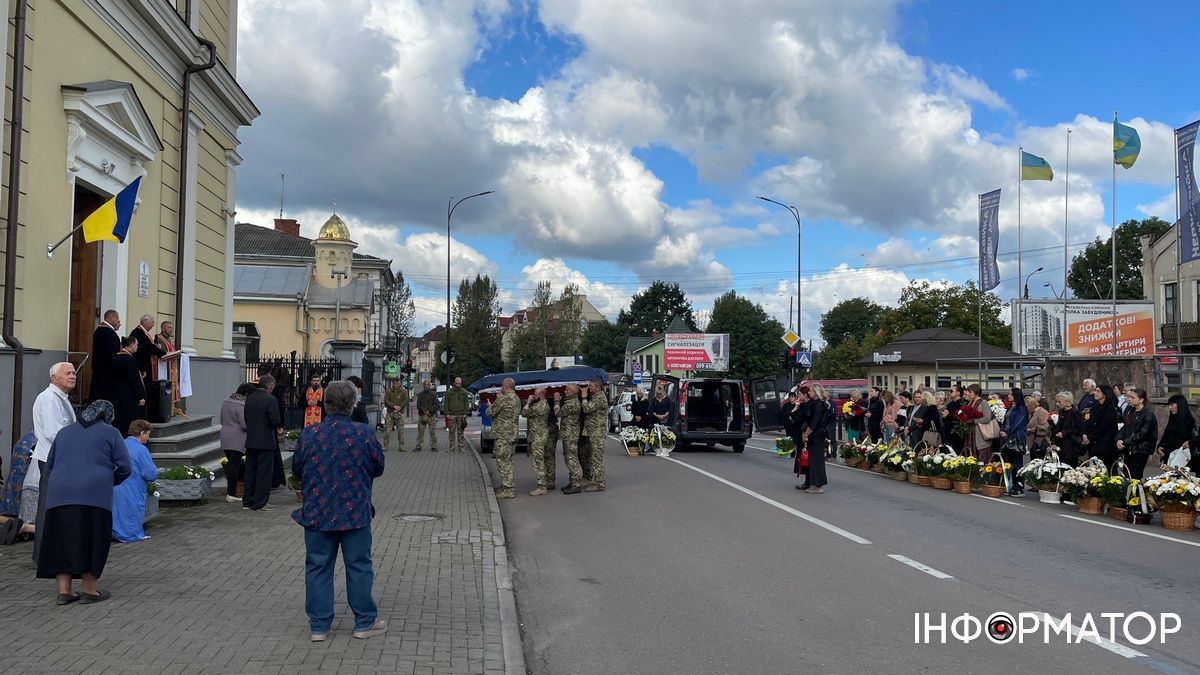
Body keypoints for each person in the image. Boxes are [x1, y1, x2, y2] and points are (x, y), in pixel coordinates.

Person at [291, 380, 387, 642]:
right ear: (353, 404)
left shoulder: (310, 434)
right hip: (354, 512)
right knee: (359, 566)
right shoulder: (363, 433)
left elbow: (297, 469)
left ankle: (319, 627)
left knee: (318, 566)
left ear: (325, 403)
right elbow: (378, 466)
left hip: (318, 512)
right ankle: (364, 623)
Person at [37, 400, 131, 605]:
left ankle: (64, 592)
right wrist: (108, 481)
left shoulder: (64, 432)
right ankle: (89, 590)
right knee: (93, 538)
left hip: (59, 495)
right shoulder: (110, 432)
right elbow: (125, 467)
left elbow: (49, 465)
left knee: (60, 541)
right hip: (94, 494)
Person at [22, 362, 78, 547]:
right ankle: (42, 553)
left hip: (62, 459)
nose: (72, 376)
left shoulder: (61, 397)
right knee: (48, 506)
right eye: (67, 373)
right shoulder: (48, 399)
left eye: (74, 373)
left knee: (58, 506)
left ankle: (54, 550)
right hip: (51, 459)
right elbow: (52, 432)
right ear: (54, 377)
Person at [112, 420, 159, 543]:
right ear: (142, 433)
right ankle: (131, 535)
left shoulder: (119, 444)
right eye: (148, 434)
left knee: (117, 510)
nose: (148, 437)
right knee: (132, 511)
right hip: (133, 486)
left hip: (116, 484)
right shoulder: (141, 450)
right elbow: (150, 473)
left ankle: (115, 532)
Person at [243, 375, 282, 511]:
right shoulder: (271, 399)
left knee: (250, 471)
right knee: (264, 473)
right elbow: (275, 419)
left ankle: (247, 501)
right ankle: (260, 502)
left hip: (251, 440)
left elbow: (246, 419)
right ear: (270, 386)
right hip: (266, 440)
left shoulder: (249, 398)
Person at [220, 383, 256, 503]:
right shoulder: (241, 405)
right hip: (237, 438)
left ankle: (231, 492)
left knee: (231, 464)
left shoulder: (226, 401)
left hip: (225, 436)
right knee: (234, 466)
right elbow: (244, 424)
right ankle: (231, 493)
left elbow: (221, 419)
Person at [790, 386, 830, 494]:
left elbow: (814, 422)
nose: (810, 392)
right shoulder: (813, 404)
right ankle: (813, 483)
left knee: (817, 460)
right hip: (812, 434)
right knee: (812, 460)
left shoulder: (820, 405)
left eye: (811, 391)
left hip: (817, 434)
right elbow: (804, 418)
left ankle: (818, 485)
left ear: (816, 393)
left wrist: (806, 434)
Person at [1116, 386, 1158, 480]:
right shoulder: (1130, 411)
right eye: (1129, 397)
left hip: (1140, 450)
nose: (1129, 399)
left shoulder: (1148, 415)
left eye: (1132, 397)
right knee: (1126, 475)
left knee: (1135, 476)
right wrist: (1119, 439)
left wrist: (1125, 441)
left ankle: (1136, 494)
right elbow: (1125, 427)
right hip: (1128, 449)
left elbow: (1143, 434)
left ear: (1141, 400)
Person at [111, 336, 147, 441]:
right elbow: (134, 379)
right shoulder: (130, 360)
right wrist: (141, 396)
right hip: (129, 395)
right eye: (136, 344)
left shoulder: (115, 357)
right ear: (131, 345)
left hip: (117, 393)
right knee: (130, 420)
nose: (137, 347)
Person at [489, 378, 520, 499]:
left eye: (502, 386)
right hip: (512, 434)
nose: (501, 387)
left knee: (503, 462)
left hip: (503, 435)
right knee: (508, 461)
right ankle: (505, 485)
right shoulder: (516, 398)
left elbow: (491, 412)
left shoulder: (503, 399)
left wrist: (491, 404)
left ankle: (508, 489)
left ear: (506, 386)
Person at [521, 388, 552, 496]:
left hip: (538, 437)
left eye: (535, 394)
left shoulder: (540, 406)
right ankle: (544, 483)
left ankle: (542, 486)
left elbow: (524, 413)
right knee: (540, 460)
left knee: (538, 462)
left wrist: (528, 402)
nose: (533, 396)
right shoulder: (542, 404)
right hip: (539, 435)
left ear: (541, 394)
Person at [1157, 394, 1199, 474]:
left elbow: (1183, 438)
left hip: (1180, 458)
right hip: (1169, 456)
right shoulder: (1172, 418)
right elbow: (1166, 435)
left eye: (1172, 405)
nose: (1170, 408)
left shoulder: (1188, 420)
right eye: (1169, 405)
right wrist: (1160, 447)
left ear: (1180, 405)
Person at [580, 378, 609, 492]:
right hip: (593, 431)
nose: (589, 388)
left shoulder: (599, 398)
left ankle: (599, 483)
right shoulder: (596, 397)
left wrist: (583, 397)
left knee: (597, 458)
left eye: (591, 386)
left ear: (597, 387)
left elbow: (587, 409)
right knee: (594, 457)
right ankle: (597, 479)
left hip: (597, 432)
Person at [1082, 384, 1120, 469]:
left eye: (1098, 391)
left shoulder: (1110, 409)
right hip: (1094, 444)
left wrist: (1090, 437)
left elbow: (1104, 426)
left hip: (1105, 445)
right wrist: (1085, 433)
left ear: (1105, 394)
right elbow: (1087, 421)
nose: (1095, 393)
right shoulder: (1095, 407)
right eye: (1095, 391)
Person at [998, 388, 1028, 496]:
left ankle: (1018, 486)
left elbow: (1018, 423)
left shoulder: (1021, 408)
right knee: (1008, 462)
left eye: (1011, 394)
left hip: (1016, 437)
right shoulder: (1011, 407)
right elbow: (1005, 421)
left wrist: (1008, 432)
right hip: (1007, 436)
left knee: (1017, 463)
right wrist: (1001, 430)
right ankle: (1009, 485)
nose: (1009, 396)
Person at [89, 310, 121, 404]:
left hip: (100, 369)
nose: (119, 321)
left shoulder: (100, 330)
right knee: (104, 396)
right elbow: (113, 353)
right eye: (117, 318)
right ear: (112, 318)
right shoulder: (108, 333)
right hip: (107, 370)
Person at [558, 384, 585, 494]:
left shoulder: (572, 403)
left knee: (571, 459)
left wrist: (556, 402)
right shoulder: (569, 401)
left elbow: (558, 413)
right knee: (568, 458)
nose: (565, 391)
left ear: (573, 392)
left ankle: (576, 484)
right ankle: (572, 481)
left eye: (567, 390)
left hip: (570, 435)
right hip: (568, 434)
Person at [129, 314, 166, 392]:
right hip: (142, 364)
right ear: (145, 322)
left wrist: (155, 347)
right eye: (152, 322)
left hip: (145, 364)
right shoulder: (138, 332)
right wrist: (163, 353)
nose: (153, 325)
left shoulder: (142, 332)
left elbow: (148, 346)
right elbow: (148, 347)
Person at [1052, 391, 1085, 468]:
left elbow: (1079, 428)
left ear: (1067, 402)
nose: (1057, 404)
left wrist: (1065, 433)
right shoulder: (1062, 411)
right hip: (1061, 446)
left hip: (1070, 447)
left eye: (1059, 402)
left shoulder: (1074, 412)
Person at [962, 384, 994, 461]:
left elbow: (987, 418)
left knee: (982, 459)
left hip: (980, 434)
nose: (968, 394)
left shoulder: (983, 402)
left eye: (970, 392)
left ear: (976, 392)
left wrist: (973, 421)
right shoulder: (970, 403)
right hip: (970, 433)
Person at [381, 379, 409, 452]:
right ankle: (385, 445)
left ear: (400, 384)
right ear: (393, 384)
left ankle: (401, 446)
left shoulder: (403, 391)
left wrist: (400, 407)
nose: (397, 385)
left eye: (398, 384)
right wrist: (394, 406)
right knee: (387, 430)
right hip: (390, 413)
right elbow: (386, 400)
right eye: (395, 384)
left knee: (401, 431)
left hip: (399, 413)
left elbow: (406, 400)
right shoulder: (388, 391)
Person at [444, 376, 469, 453]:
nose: (458, 385)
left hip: (461, 415)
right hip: (452, 415)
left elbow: (466, 404)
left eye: (459, 383)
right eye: (457, 383)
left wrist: (465, 414)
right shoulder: (449, 392)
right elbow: (446, 403)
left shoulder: (464, 392)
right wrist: (447, 414)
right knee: (451, 432)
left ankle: (461, 447)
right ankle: (452, 447)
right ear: (454, 383)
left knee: (460, 432)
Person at [415, 380, 439, 452]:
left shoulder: (434, 394)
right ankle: (418, 446)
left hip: (431, 416)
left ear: (430, 386)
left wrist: (430, 411)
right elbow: (418, 405)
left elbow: (436, 404)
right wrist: (424, 411)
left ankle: (434, 446)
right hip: (422, 415)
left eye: (428, 385)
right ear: (423, 385)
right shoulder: (420, 394)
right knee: (420, 432)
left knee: (432, 432)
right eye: (425, 385)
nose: (426, 386)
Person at [1025, 394, 1051, 460]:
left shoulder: (1042, 412)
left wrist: (1031, 430)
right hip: (1033, 444)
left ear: (1031, 405)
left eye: (1027, 407)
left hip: (1040, 444)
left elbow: (1046, 427)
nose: (1026, 409)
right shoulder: (1031, 413)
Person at [945, 384, 965, 451]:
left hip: (957, 433)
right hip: (948, 432)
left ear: (958, 392)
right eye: (948, 391)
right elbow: (945, 418)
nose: (949, 393)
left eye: (951, 391)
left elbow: (961, 418)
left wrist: (948, 415)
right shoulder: (950, 404)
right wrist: (945, 416)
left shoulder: (963, 403)